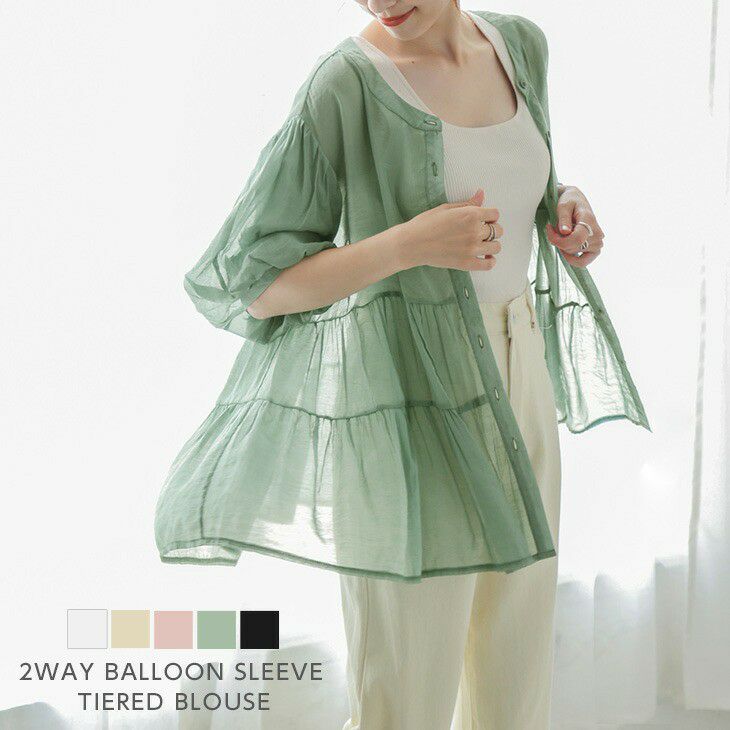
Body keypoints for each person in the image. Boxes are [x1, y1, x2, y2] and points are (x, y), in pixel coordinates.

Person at [154, 2, 650, 727]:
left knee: (516, 684)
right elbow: (255, 283)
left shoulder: (520, 48)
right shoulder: (345, 85)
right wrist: (406, 245)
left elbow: (515, 179)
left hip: (523, 372)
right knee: (405, 696)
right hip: (408, 398)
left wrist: (564, 204)